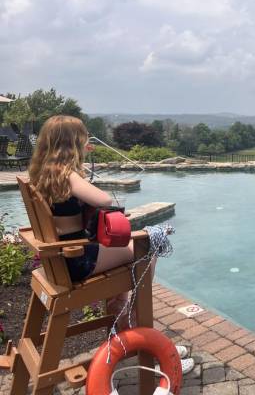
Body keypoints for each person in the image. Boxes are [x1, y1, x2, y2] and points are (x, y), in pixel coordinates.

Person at [28, 115, 193, 371]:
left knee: (130, 256)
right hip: (78, 261)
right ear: (73, 144)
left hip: (61, 259)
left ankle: (123, 322)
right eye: (83, 140)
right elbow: (104, 200)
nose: (86, 145)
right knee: (148, 248)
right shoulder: (67, 174)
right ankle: (141, 331)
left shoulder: (41, 175)